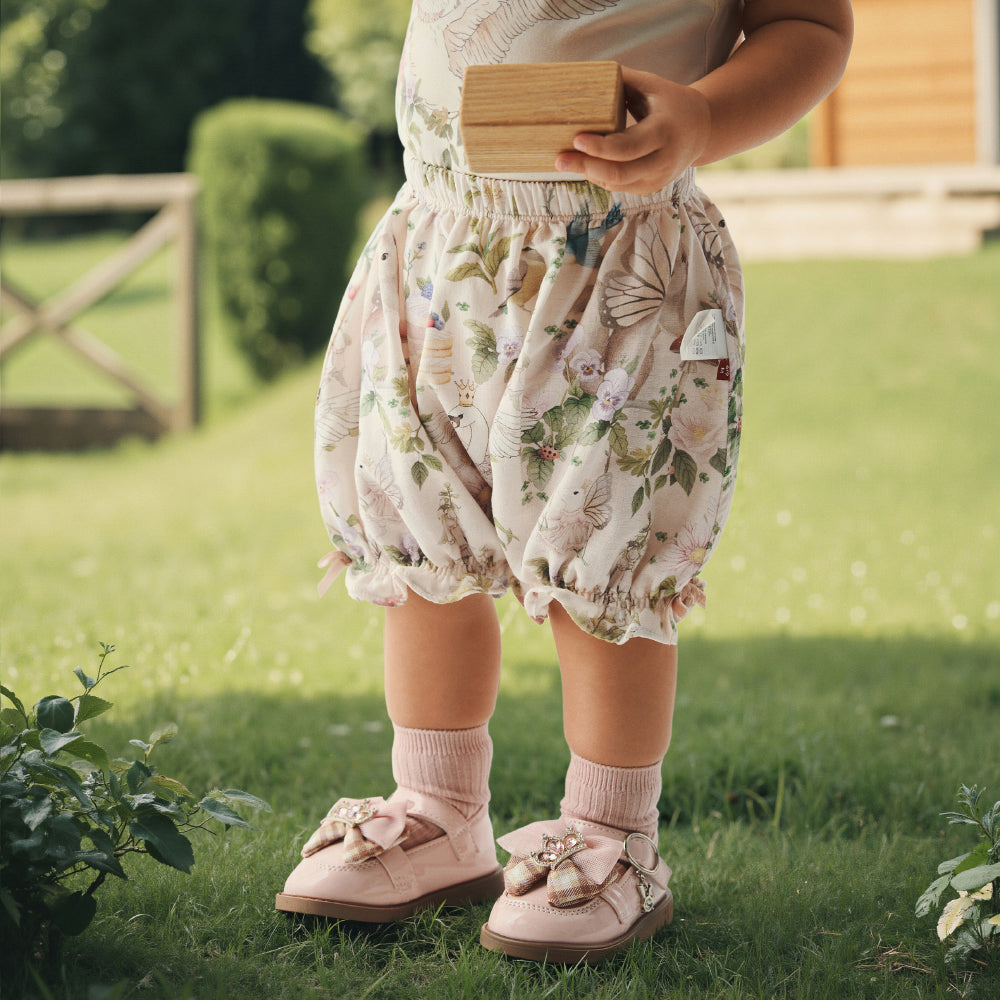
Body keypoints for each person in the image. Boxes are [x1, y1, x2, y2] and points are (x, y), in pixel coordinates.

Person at [276, 0, 854, 963]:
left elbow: (811, 26)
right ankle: (438, 810)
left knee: (604, 534)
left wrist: (703, 117)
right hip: (442, 245)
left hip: (619, 257)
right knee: (427, 525)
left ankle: (611, 836)